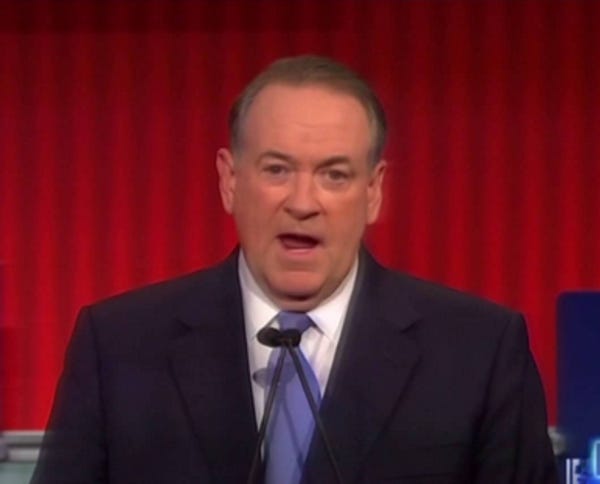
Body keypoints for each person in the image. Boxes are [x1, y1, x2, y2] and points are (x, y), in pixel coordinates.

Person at [32, 55, 557, 483]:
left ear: (373, 191)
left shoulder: (479, 351)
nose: (303, 202)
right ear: (230, 181)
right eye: (277, 170)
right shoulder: (119, 346)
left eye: (334, 175)